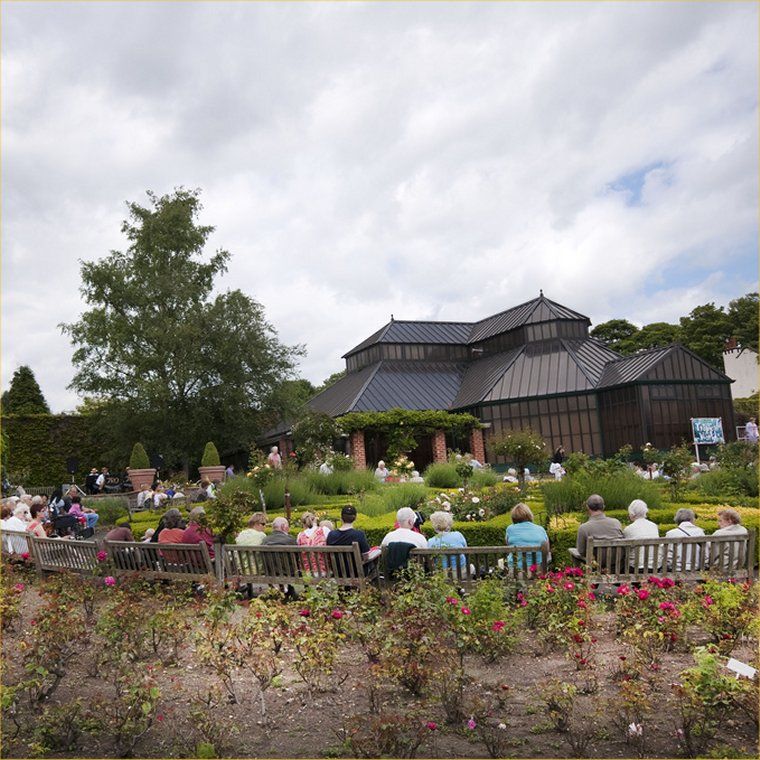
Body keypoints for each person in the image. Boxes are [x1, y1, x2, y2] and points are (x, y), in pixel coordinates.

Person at [572, 494, 623, 560]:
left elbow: (581, 552)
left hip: (595, 568)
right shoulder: (616, 523)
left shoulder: (584, 528)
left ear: (587, 507)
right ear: (603, 507)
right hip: (618, 567)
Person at [505, 502, 550, 568]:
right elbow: (547, 550)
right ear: (529, 515)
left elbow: (508, 544)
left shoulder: (510, 529)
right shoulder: (541, 529)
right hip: (537, 571)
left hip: (516, 571)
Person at [623, 499, 660, 571]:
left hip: (636, 568)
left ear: (632, 513)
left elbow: (625, 549)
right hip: (654, 567)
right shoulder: (654, 526)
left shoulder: (629, 529)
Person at [710, 508, 749, 573]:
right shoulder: (744, 531)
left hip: (721, 567)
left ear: (729, 521)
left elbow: (712, 554)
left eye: (720, 521)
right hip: (738, 566)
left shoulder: (719, 533)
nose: (718, 524)